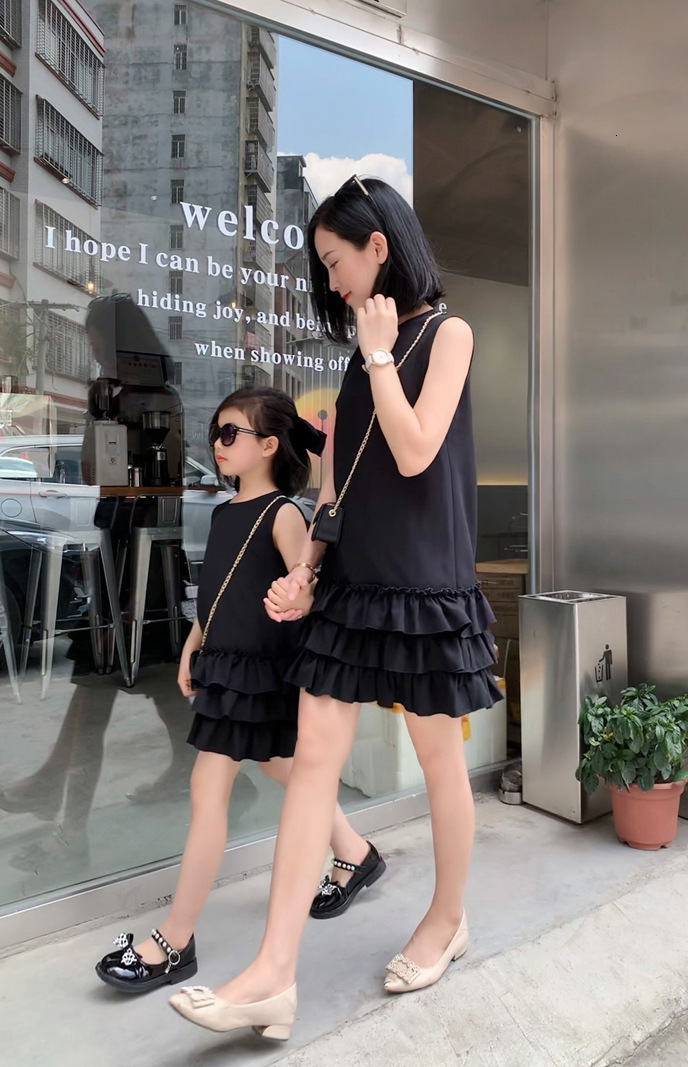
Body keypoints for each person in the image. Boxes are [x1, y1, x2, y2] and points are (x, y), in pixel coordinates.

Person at [169, 177, 501, 1039]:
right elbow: (336, 486)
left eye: (335, 261)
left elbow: (419, 449)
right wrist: (308, 566)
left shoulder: (445, 334)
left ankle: (449, 917)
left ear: (378, 247)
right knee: (313, 758)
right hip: (353, 590)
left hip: (426, 588)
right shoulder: (358, 357)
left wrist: (384, 355)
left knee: (437, 761)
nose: (333, 281)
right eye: (323, 268)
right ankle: (273, 973)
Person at [95, 386, 382, 994]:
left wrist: (299, 608)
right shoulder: (227, 511)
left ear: (269, 446)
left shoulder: (283, 513)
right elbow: (221, 588)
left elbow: (308, 589)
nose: (218, 445)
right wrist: (194, 641)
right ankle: (355, 852)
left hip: (262, 673)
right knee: (282, 770)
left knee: (209, 789)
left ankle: (175, 939)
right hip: (227, 665)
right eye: (216, 435)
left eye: (231, 435)